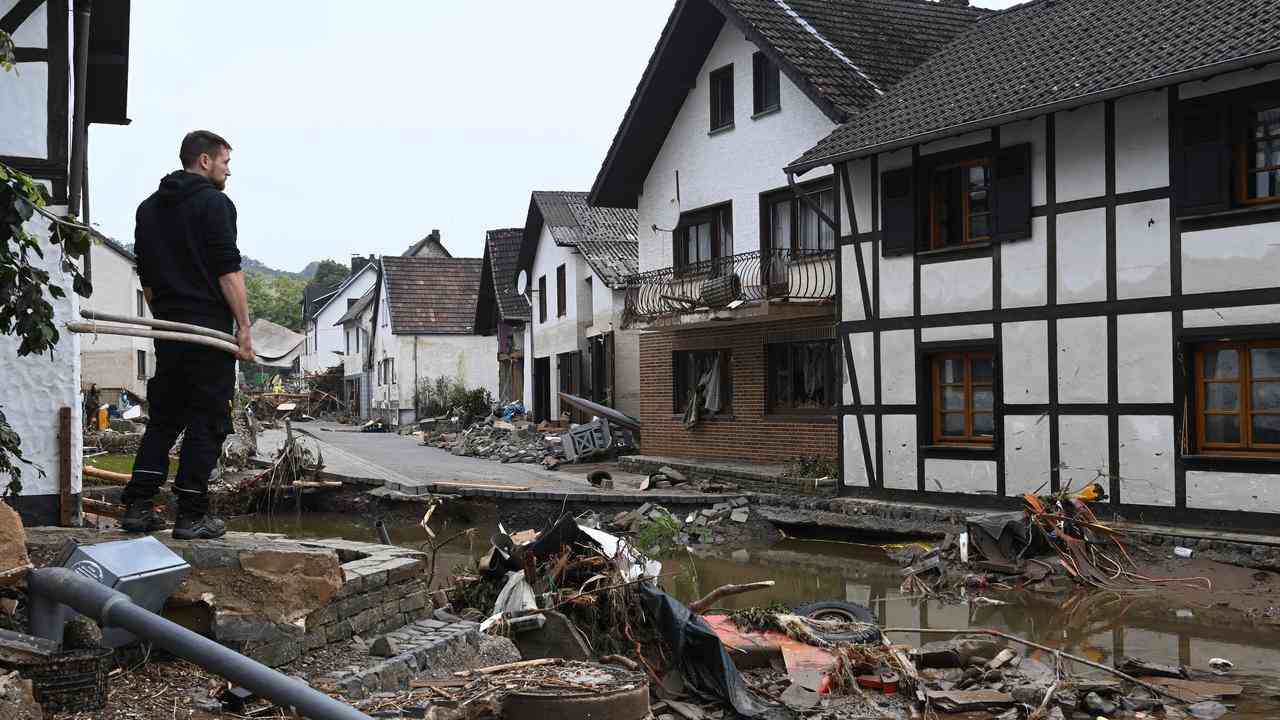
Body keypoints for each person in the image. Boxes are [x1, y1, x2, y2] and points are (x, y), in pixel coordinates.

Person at [120, 131, 254, 540]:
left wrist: (163, 320)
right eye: (225, 162)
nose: (229, 170)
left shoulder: (148, 209)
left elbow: (147, 280)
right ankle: (192, 513)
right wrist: (244, 328)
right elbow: (227, 270)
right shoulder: (216, 203)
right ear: (204, 161)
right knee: (208, 419)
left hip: (168, 329)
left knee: (164, 417)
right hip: (207, 331)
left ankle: (139, 507)